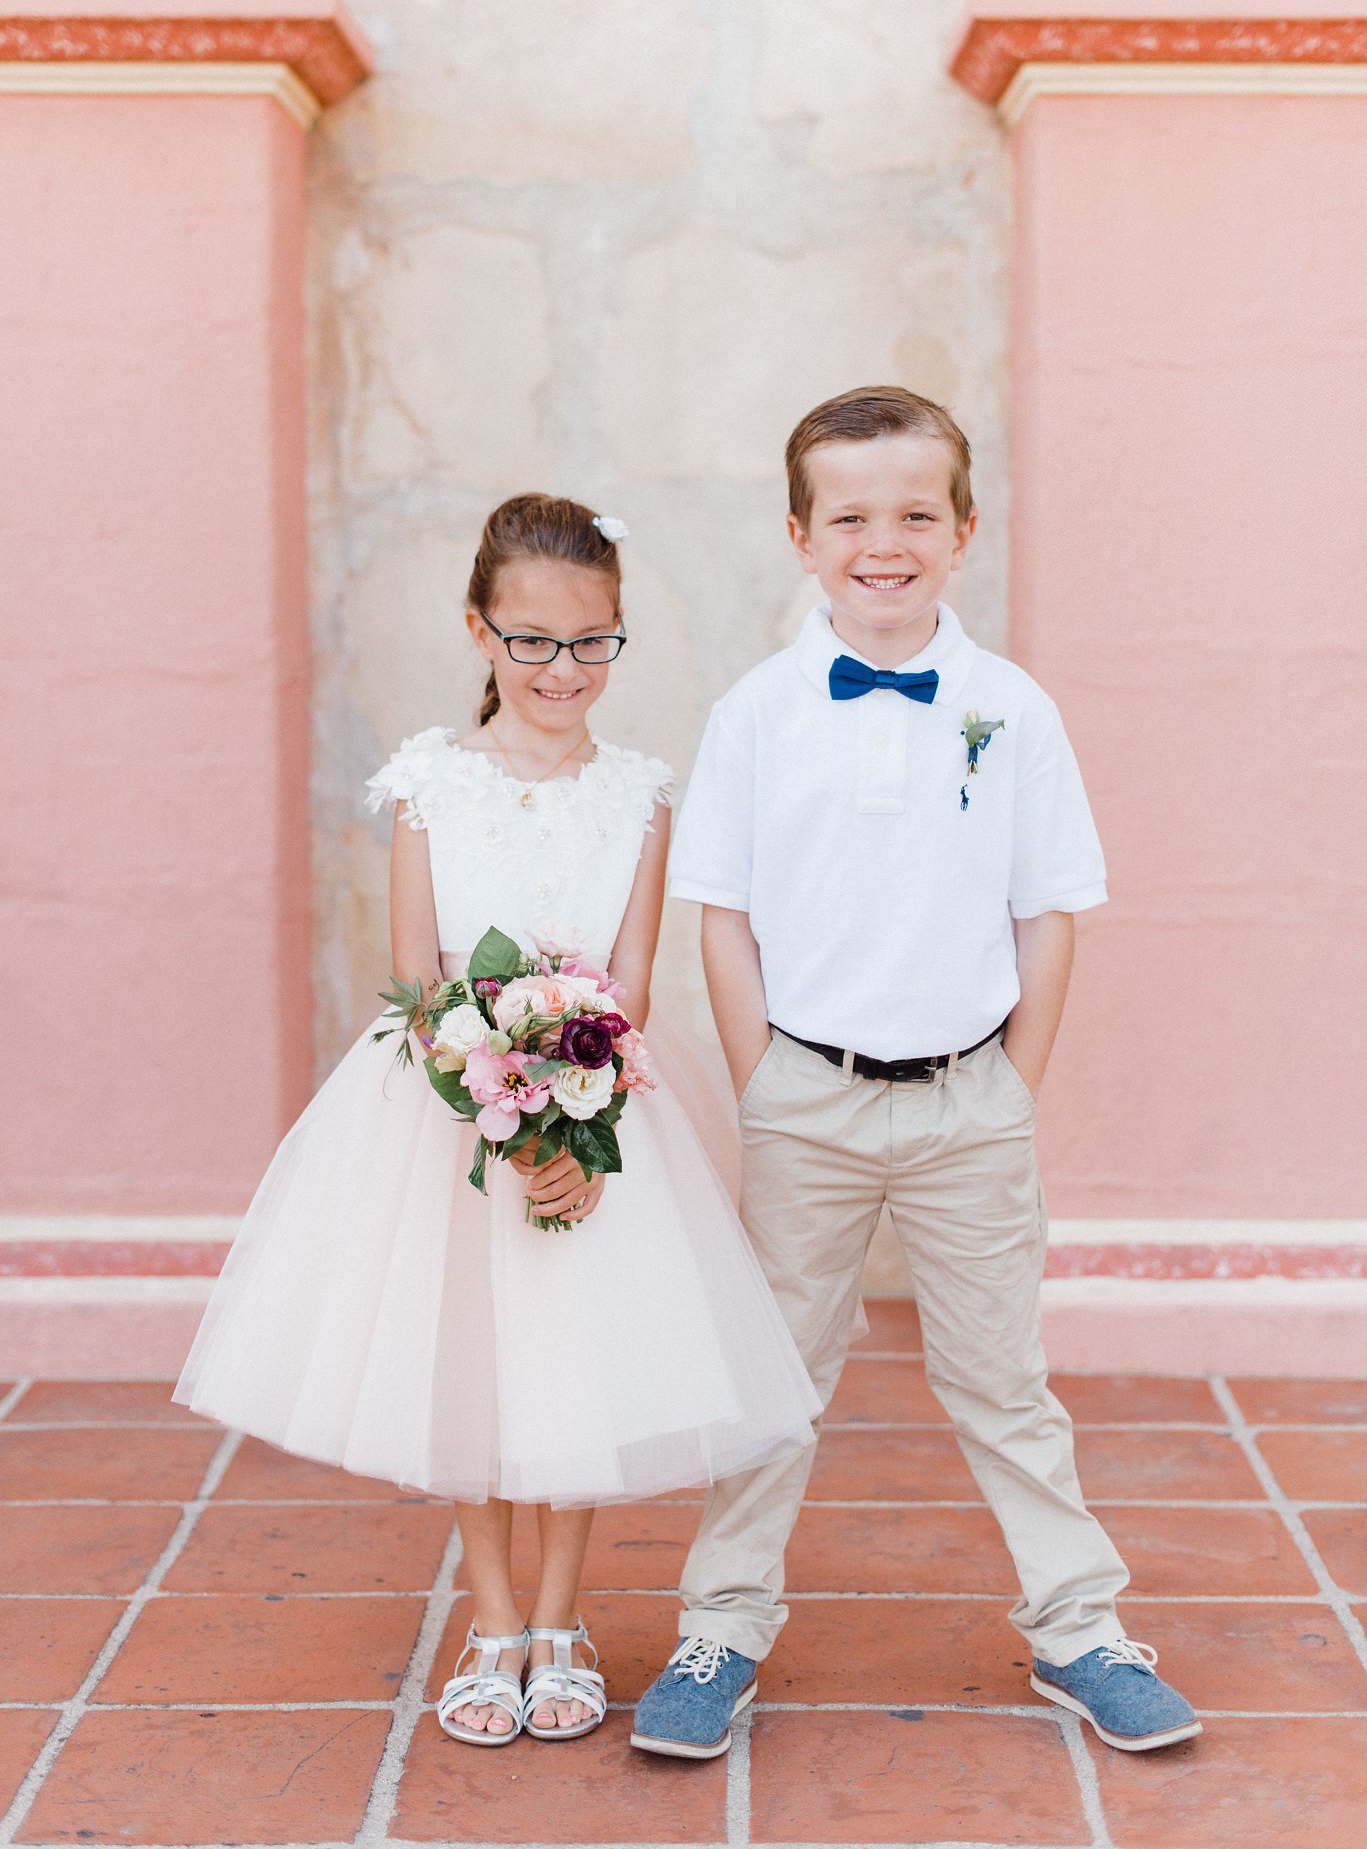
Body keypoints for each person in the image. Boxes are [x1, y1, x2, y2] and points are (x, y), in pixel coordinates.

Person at [175, 493, 818, 1750]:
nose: (560, 670)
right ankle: (491, 1617)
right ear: (480, 629)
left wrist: (574, 1118)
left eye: (589, 642)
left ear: (616, 638)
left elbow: (633, 980)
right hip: (439, 1107)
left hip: (600, 1108)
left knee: (577, 1357)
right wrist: (492, 1101)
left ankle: (566, 1620)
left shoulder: (639, 794)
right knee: (465, 1357)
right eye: (530, 641)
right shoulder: (428, 783)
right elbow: (417, 967)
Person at [632, 387, 1201, 1760]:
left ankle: (1076, 1625)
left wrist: (1010, 1083)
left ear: (958, 529)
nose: (878, 543)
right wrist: (764, 1075)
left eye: (909, 515)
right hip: (808, 1101)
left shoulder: (1009, 709)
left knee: (1002, 1380)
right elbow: (720, 910)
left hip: (965, 1101)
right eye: (848, 518)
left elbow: (1046, 908)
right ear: (797, 534)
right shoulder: (757, 712)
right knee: (776, 1376)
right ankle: (720, 1623)